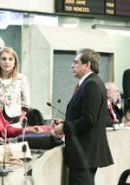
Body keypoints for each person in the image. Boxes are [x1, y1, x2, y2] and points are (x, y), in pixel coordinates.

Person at [54, 48, 113, 185]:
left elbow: (88, 120)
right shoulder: (91, 83)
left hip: (84, 153)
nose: (72, 65)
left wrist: (64, 127)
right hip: (85, 153)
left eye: (76, 62)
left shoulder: (91, 84)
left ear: (87, 65)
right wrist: (66, 121)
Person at [0, 47, 30, 125]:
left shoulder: (21, 79)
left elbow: (26, 104)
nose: (7, 62)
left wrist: (19, 121)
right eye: (4, 59)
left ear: (15, 62)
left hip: (14, 120)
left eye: (10, 59)